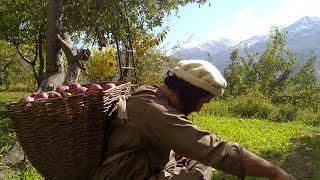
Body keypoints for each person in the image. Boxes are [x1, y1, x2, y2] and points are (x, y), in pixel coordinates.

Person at [93, 60, 295, 180]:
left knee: (200, 163)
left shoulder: (155, 94)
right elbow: (212, 148)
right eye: (201, 101)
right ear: (188, 92)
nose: (198, 108)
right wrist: (275, 173)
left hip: (148, 166)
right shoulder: (152, 109)